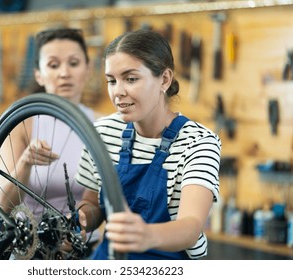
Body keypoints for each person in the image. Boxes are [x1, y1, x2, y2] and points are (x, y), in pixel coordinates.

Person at [75, 29, 221, 260]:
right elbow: (92, 203)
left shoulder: (199, 142)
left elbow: (190, 226)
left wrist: (145, 235)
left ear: (164, 79)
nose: (118, 92)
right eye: (111, 81)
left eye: (131, 79)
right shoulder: (102, 132)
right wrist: (81, 219)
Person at [0, 27, 100, 258]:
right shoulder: (21, 123)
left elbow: (93, 202)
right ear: (38, 74)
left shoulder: (100, 126)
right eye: (53, 65)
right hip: (29, 249)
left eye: (73, 63)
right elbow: (4, 205)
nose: (64, 73)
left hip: (84, 250)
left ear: (88, 69)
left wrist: (77, 227)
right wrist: (25, 162)